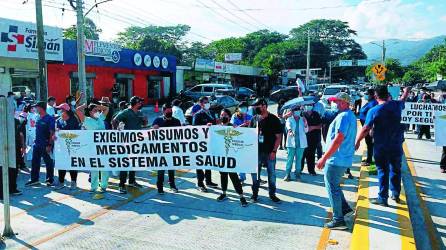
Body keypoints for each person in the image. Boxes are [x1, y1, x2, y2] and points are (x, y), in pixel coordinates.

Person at [355, 86, 410, 206]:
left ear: (375, 96)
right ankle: (395, 194)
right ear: (388, 94)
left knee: (383, 171)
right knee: (396, 169)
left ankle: (382, 198)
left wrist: (358, 141)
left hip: (381, 146)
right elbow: (404, 99)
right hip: (396, 145)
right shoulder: (397, 105)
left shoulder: (374, 110)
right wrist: (406, 91)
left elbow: (366, 128)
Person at [316, 92, 356, 229]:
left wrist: (323, 158)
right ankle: (344, 208)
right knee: (335, 186)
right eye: (335, 101)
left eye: (338, 101)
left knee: (331, 187)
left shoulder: (344, 116)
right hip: (342, 158)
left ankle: (338, 219)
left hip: (336, 159)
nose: (335, 104)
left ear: (345, 103)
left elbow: (338, 139)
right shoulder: (349, 115)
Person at [249, 98, 282, 203]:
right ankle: (254, 194)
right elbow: (249, 135)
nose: (255, 108)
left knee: (271, 173)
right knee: (255, 174)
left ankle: (272, 194)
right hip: (256, 152)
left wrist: (274, 151)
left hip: (269, 152)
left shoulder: (274, 119)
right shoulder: (254, 119)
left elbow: (279, 137)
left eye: (257, 106)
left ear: (264, 106)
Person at [112, 96, 146, 194]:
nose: (141, 104)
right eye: (139, 102)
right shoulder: (126, 112)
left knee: (134, 161)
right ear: (135, 103)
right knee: (125, 162)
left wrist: (145, 120)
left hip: (137, 141)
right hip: (126, 141)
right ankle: (121, 184)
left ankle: (132, 181)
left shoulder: (139, 113)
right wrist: (116, 132)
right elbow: (114, 120)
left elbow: (144, 124)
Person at [216, 109, 248, 207]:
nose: (223, 116)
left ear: (229, 117)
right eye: (222, 115)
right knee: (223, 175)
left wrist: (237, 129)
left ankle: (241, 196)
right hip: (221, 157)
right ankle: (224, 193)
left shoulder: (232, 127)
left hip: (231, 157)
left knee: (234, 176)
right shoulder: (216, 128)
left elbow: (240, 139)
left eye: (225, 115)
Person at [77, 102, 110, 193]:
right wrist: (85, 105)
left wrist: (97, 106)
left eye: (97, 110)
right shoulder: (86, 120)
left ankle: (103, 186)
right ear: (90, 112)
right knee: (94, 168)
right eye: (95, 110)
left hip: (103, 147)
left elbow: (106, 109)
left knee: (104, 168)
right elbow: (78, 110)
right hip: (93, 148)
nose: (97, 111)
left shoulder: (100, 118)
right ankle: (94, 187)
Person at [25, 101, 56, 186]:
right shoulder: (38, 117)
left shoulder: (49, 118)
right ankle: (34, 179)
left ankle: (50, 179)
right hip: (37, 144)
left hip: (45, 144)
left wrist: (49, 145)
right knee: (35, 162)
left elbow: (52, 132)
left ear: (41, 108)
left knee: (48, 162)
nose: (35, 108)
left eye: (37, 107)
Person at [152, 103, 180, 194]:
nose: (169, 112)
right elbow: (150, 134)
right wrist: (154, 129)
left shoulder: (176, 121)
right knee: (161, 170)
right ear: (163, 111)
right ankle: (160, 187)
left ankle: (172, 185)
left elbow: (181, 134)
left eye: (170, 110)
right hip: (160, 149)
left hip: (172, 148)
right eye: (167, 110)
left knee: (171, 169)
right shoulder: (158, 120)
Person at [192, 96, 218, 192]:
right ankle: (200, 183)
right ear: (201, 104)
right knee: (200, 163)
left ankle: (208, 181)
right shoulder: (198, 115)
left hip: (211, 141)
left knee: (208, 162)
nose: (208, 104)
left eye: (208, 102)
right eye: (205, 102)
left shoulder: (211, 113)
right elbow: (195, 130)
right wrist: (204, 127)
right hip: (201, 143)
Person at [54, 103, 81, 190]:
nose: (60, 111)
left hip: (72, 147)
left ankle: (73, 182)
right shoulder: (59, 121)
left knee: (72, 165)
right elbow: (56, 132)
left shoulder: (74, 120)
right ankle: (61, 182)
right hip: (61, 147)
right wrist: (56, 132)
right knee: (62, 164)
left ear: (66, 111)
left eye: (61, 110)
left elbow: (77, 134)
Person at [0, 117, 25, 200]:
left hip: (15, 148)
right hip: (2, 148)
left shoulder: (16, 121)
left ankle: (12, 189)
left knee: (14, 169)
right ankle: (1, 193)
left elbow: (21, 134)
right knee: (1, 169)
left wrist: (23, 146)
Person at [230, 101, 253, 184]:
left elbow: (254, 128)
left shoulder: (250, 117)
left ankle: (255, 178)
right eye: (242, 107)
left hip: (247, 141)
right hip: (237, 140)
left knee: (246, 159)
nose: (244, 109)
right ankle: (241, 177)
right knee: (239, 159)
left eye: (245, 107)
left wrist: (250, 125)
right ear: (238, 108)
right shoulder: (234, 116)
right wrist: (243, 125)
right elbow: (233, 128)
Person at [284, 105, 308, 181]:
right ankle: (287, 174)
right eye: (296, 110)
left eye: (299, 110)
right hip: (291, 143)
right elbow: (288, 126)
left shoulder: (303, 119)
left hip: (301, 143)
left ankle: (297, 174)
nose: (298, 112)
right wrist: (290, 131)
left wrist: (305, 123)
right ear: (293, 112)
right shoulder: (289, 119)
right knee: (290, 159)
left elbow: (306, 130)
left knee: (299, 159)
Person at [301, 103, 322, 176]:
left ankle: (311, 170)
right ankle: (299, 169)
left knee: (311, 154)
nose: (308, 106)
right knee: (302, 154)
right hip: (303, 138)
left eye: (310, 105)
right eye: (307, 105)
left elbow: (320, 126)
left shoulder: (316, 114)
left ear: (312, 106)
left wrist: (312, 127)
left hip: (313, 138)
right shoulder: (302, 114)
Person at [358, 88, 378, 166]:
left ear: (371, 95)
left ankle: (369, 160)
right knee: (368, 143)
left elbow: (374, 117)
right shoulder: (369, 102)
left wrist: (372, 128)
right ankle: (369, 158)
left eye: (367, 94)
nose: (366, 95)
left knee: (370, 143)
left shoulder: (373, 103)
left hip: (369, 128)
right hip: (366, 127)